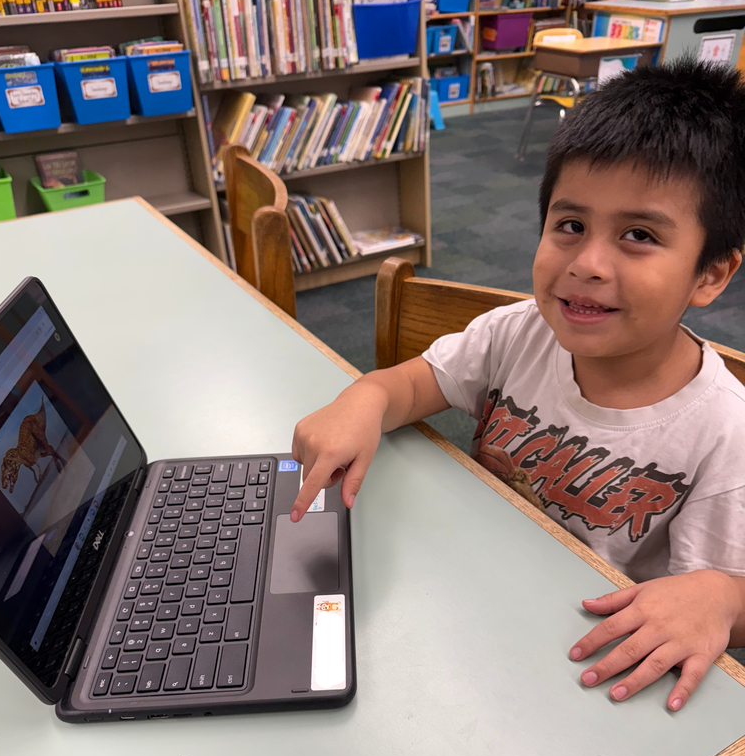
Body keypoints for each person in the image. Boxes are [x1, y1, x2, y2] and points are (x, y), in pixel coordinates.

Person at [290, 59, 745, 712]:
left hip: (584, 659)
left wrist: (725, 601)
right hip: (468, 596)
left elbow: (717, 594)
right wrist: (364, 399)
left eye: (639, 236)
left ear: (710, 275)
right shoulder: (517, 332)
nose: (587, 264)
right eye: (569, 225)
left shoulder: (725, 430)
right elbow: (412, 384)